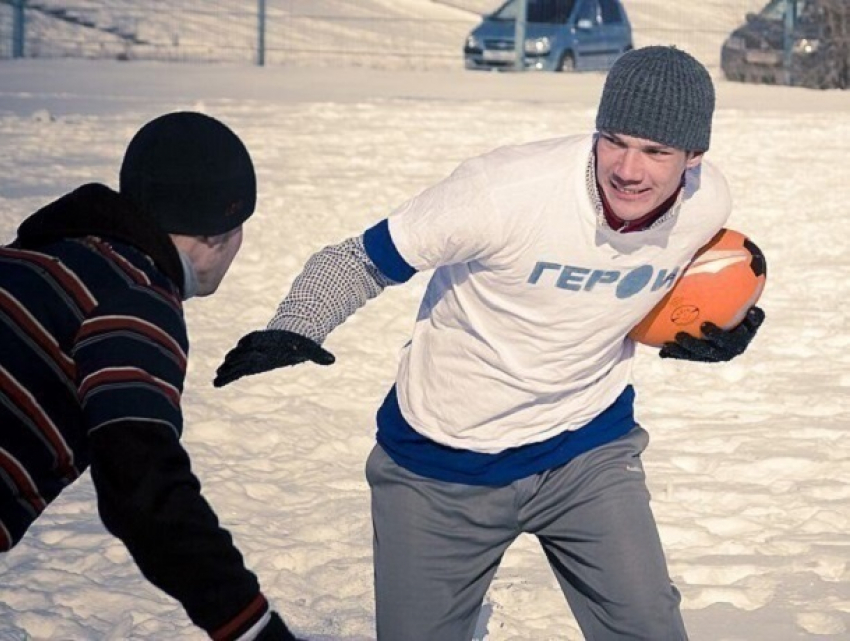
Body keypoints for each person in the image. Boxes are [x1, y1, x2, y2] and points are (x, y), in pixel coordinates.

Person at [215, 46, 765, 640]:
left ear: (693, 158)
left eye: (656, 151)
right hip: (442, 463)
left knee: (649, 629)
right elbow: (359, 260)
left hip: (587, 448)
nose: (629, 169)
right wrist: (297, 323)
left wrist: (723, 330)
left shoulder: (707, 204)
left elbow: (658, 289)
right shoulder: (502, 192)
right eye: (615, 140)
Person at [0, 112, 302, 641]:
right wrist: (252, 627)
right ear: (219, 236)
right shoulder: (135, 298)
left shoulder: (36, 260)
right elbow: (141, 484)